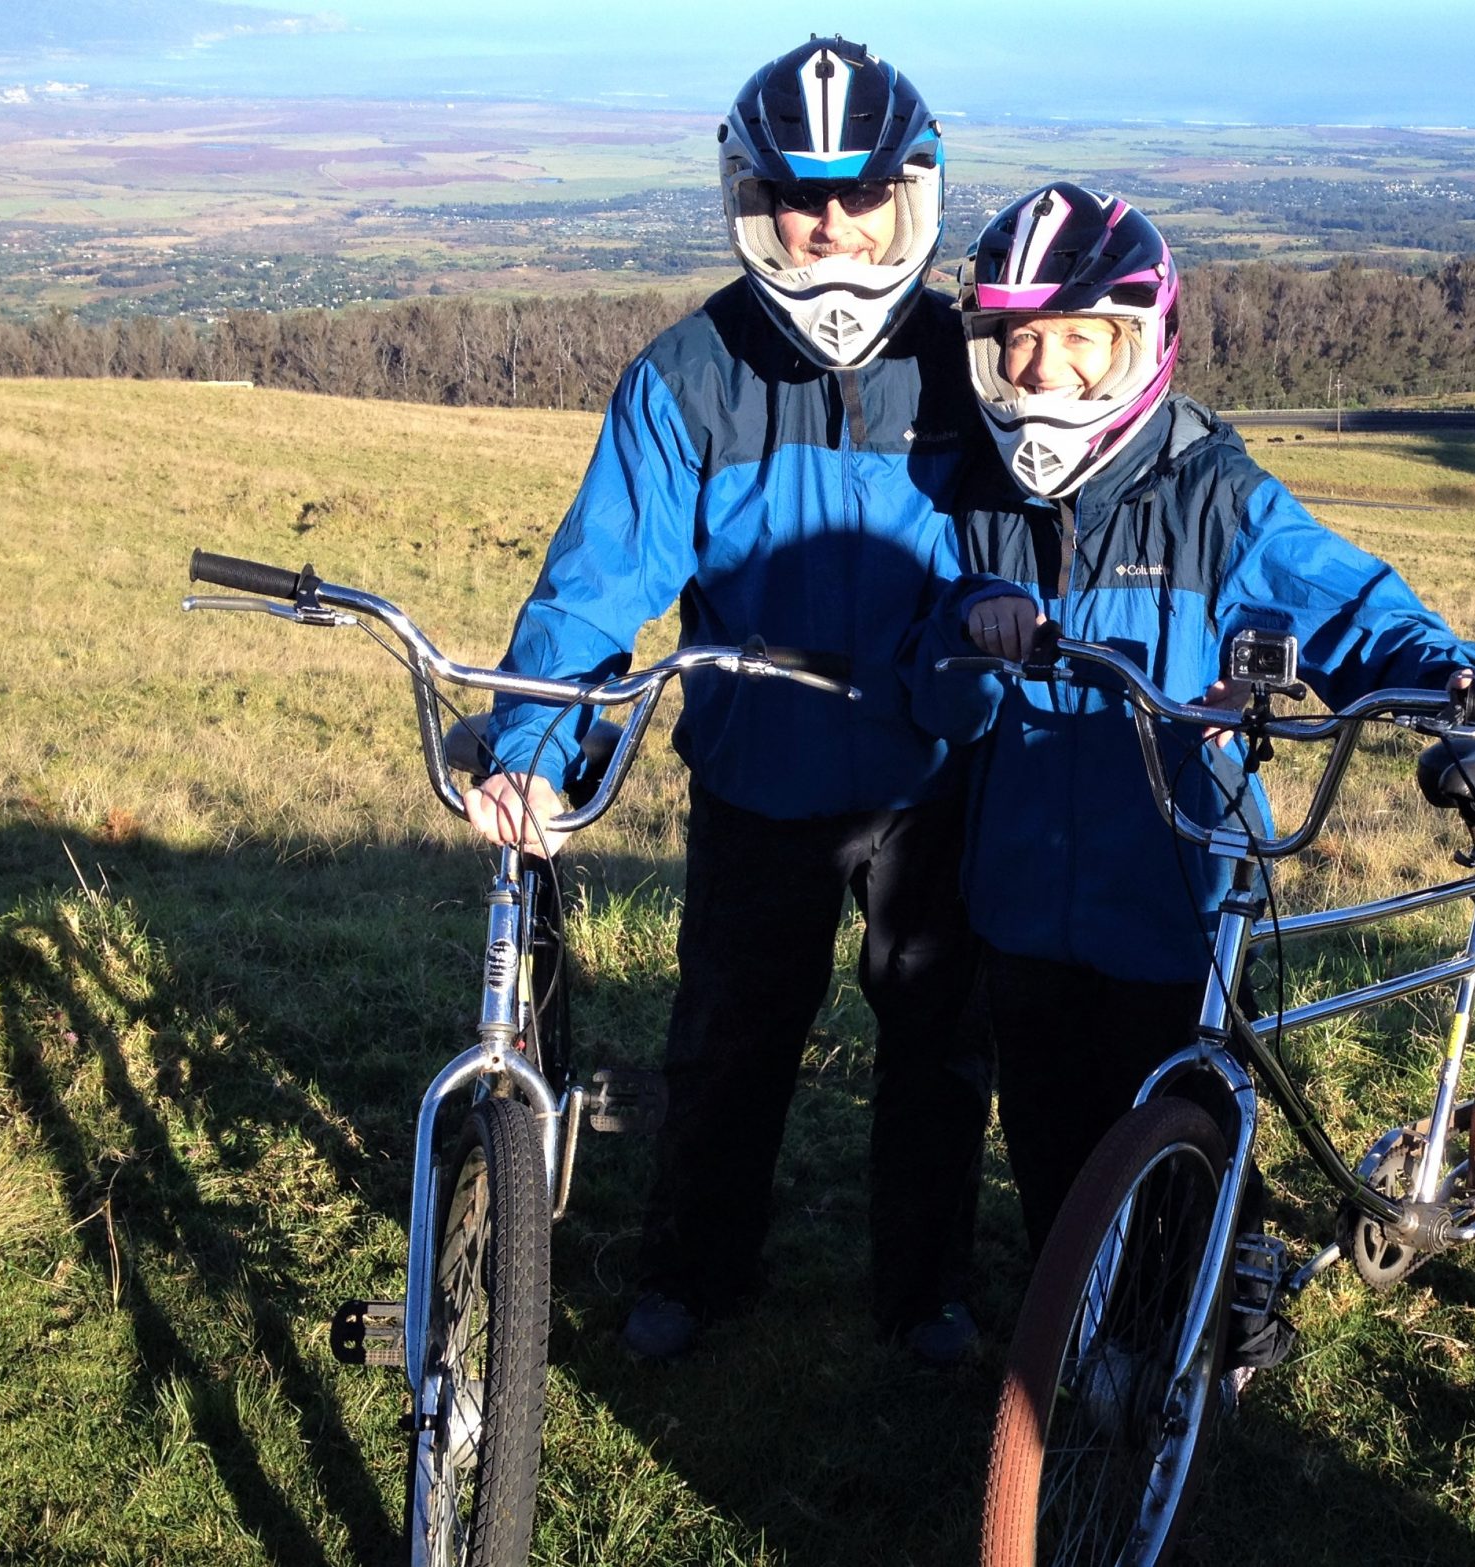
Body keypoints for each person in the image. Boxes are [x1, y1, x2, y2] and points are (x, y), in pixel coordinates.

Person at [911, 183, 1475, 1269]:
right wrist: (957, 619)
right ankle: (1072, 1331)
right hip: (1018, 903)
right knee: (1047, 1138)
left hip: (1178, 898)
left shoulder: (1218, 499)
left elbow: (1350, 608)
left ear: (1142, 345)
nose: (1042, 375)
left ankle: (1218, 1308)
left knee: (1197, 1124)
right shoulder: (971, 500)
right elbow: (920, 665)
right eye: (1016, 346)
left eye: (1082, 343)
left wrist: (1461, 674)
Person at [469, 37, 988, 1367]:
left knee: (938, 1043)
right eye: (799, 195)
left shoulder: (974, 369)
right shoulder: (687, 374)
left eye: (859, 195)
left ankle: (924, 1292)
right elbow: (595, 588)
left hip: (933, 778)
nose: (828, 224)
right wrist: (536, 745)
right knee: (728, 1039)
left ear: (908, 196)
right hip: (757, 777)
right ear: (751, 197)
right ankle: (696, 1269)